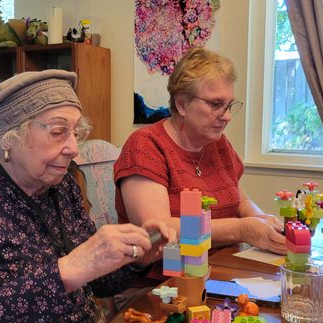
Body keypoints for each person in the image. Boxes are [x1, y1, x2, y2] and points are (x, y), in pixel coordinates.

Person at [0, 70, 175, 323]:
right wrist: (66, 271)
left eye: (76, 133)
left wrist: (138, 259)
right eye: (58, 131)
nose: (74, 148)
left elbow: (99, 283)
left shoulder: (61, 186)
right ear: (12, 136)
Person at [114, 48, 286, 254]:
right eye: (216, 104)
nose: (227, 116)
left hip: (223, 269)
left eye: (229, 105)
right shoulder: (145, 146)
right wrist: (243, 230)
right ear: (182, 104)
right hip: (168, 279)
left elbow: (241, 201)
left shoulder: (219, 144)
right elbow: (159, 231)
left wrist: (265, 221)